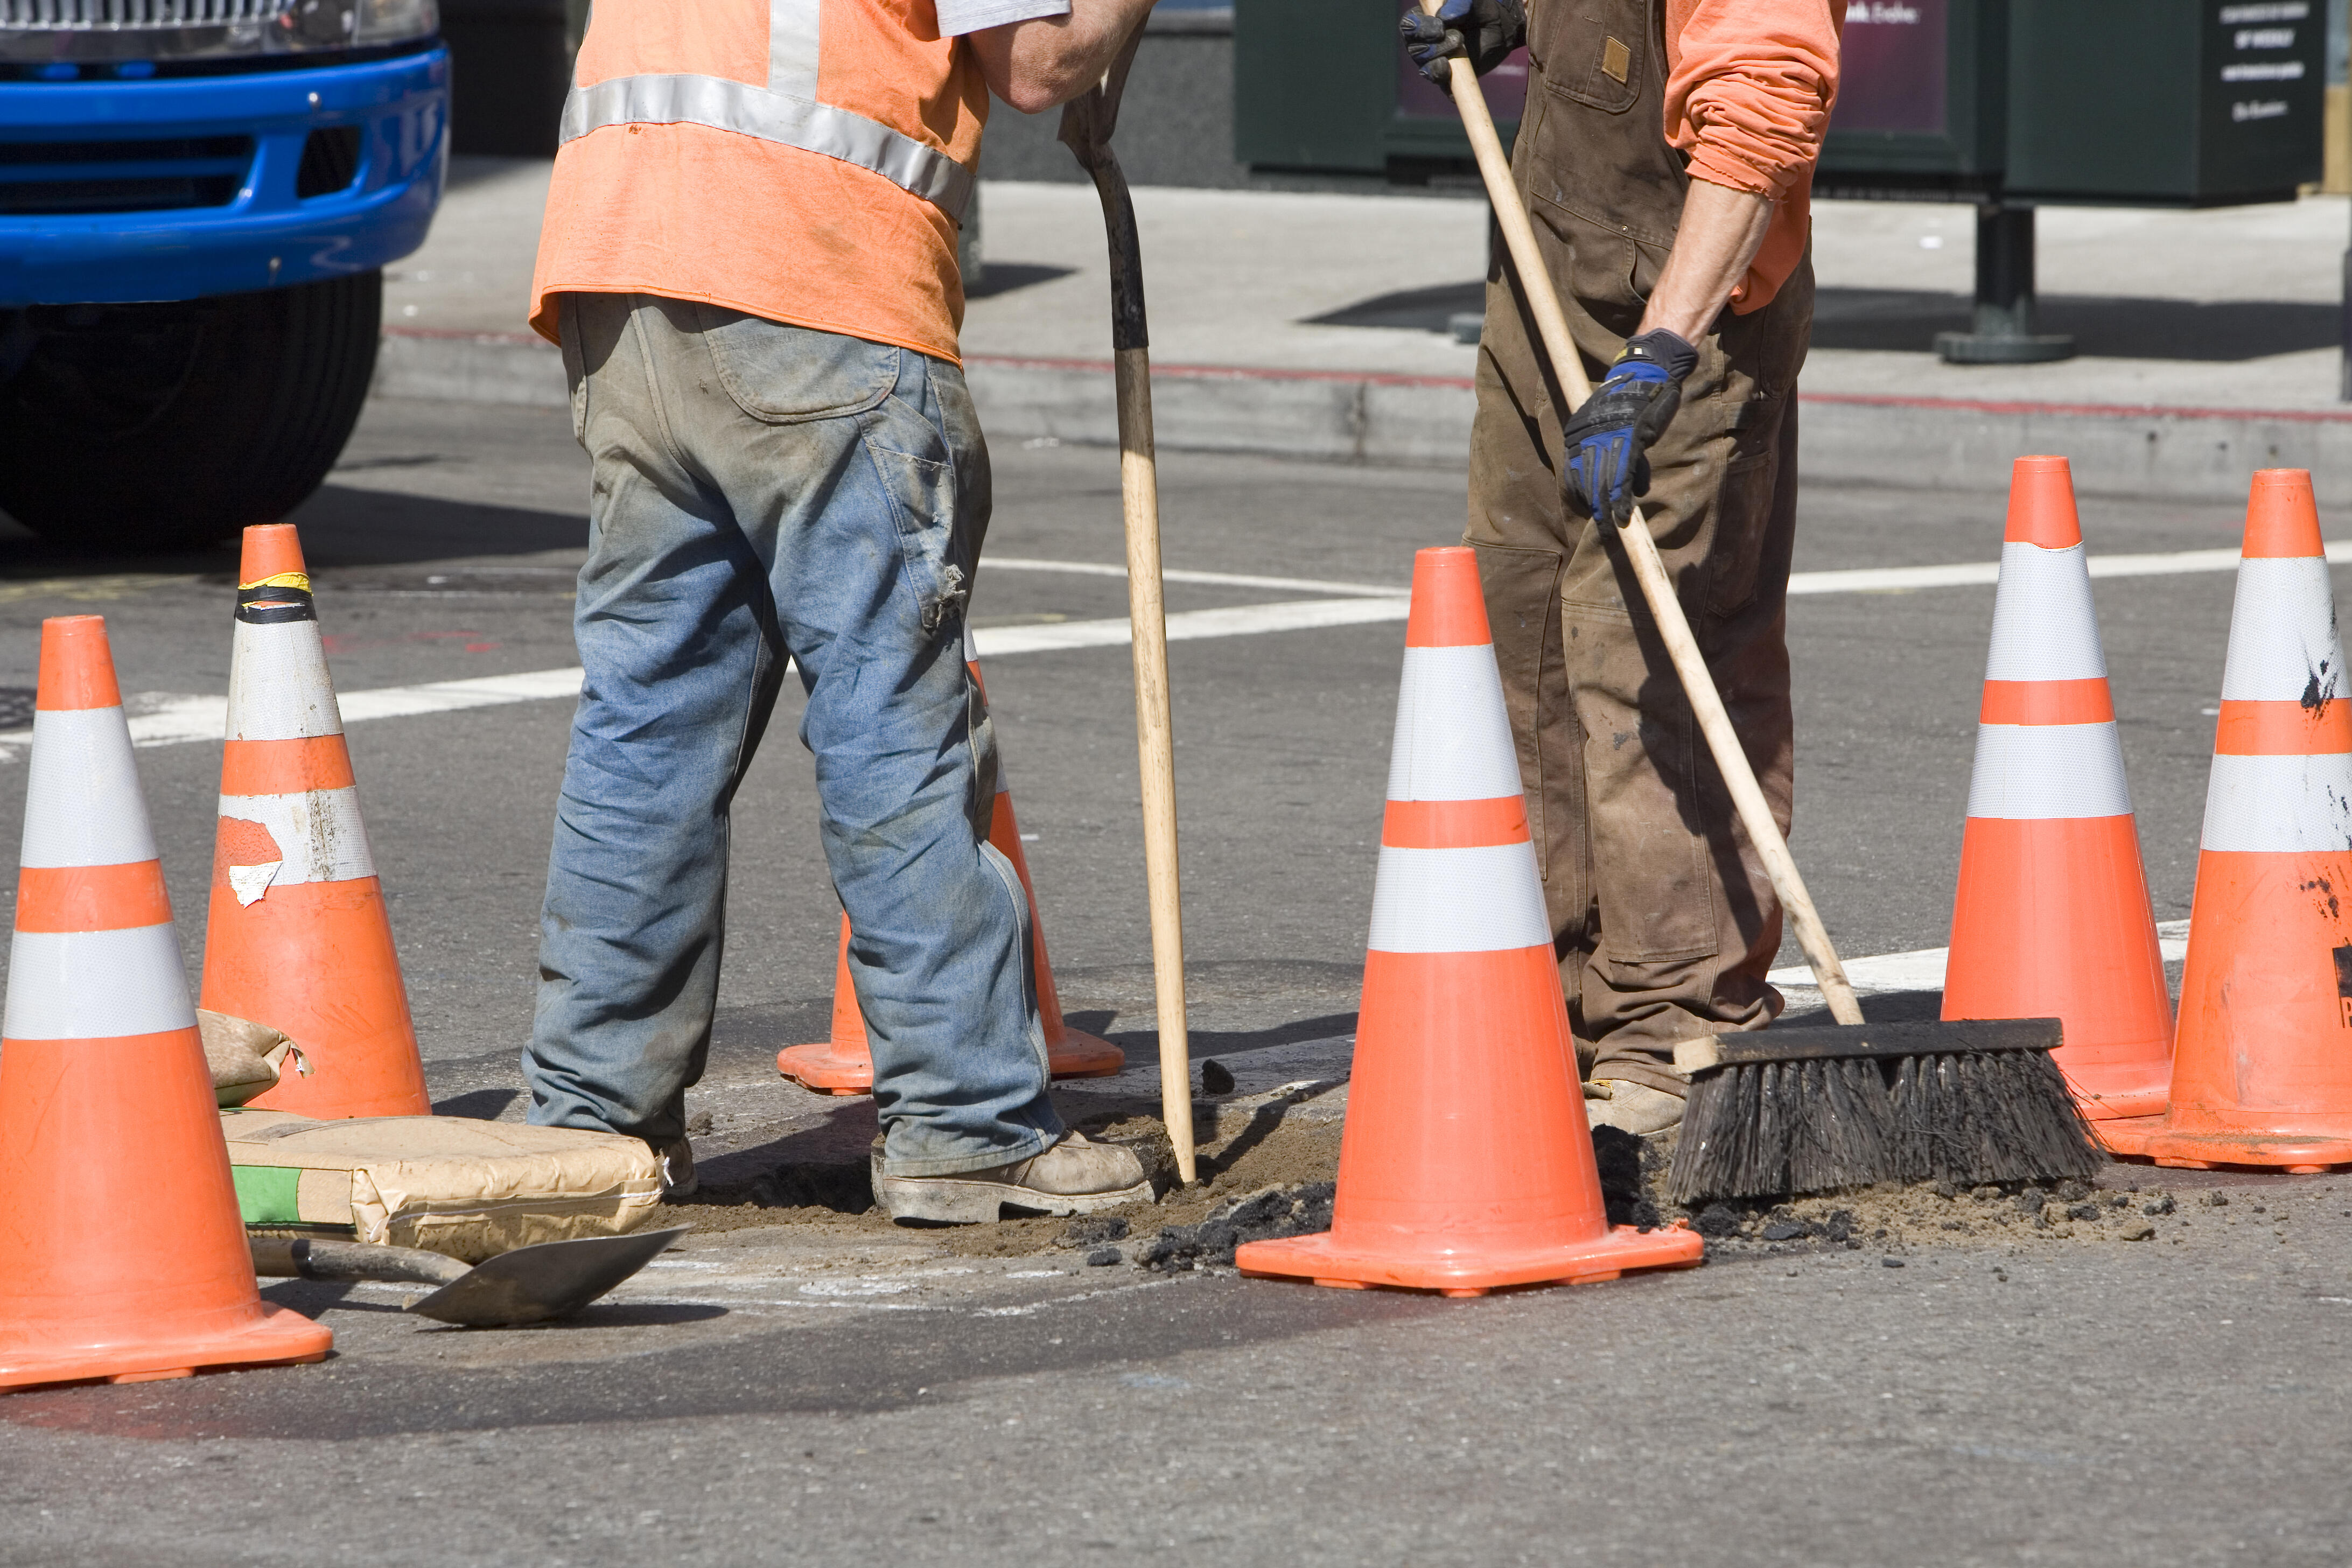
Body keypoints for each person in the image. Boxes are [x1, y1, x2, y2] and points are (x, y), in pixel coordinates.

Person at [521, 0, 1161, 1220]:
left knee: (646, 722)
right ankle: (967, 1124)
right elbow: (1038, 60)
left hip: (621, 255)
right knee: (892, 721)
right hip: (810, 265)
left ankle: (593, 1121)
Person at [1403, 0, 1841, 1134]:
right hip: (1549, 278)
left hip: (1694, 316)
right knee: (1523, 629)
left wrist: (1658, 356)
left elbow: (1762, 112)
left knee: (1641, 648)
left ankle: (1674, 1019)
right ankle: (1540, 991)